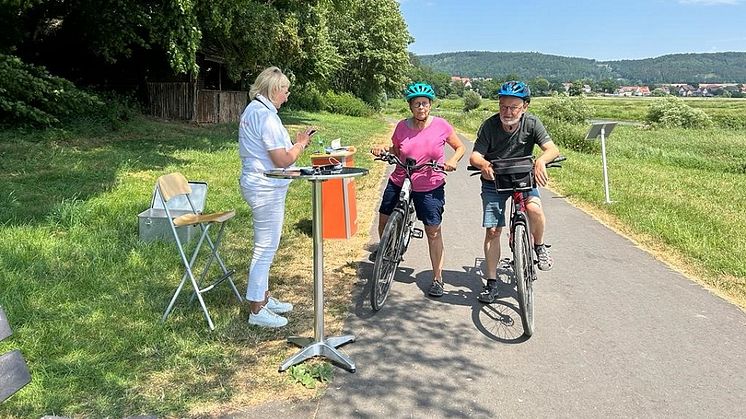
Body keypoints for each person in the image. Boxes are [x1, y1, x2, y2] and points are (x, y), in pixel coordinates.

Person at [469, 80, 560, 304]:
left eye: (513, 107)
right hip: (494, 179)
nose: (507, 112)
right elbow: (475, 156)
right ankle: (491, 283)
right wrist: (484, 165)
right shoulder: (490, 125)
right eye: (503, 106)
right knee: (493, 231)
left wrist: (541, 161)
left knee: (534, 210)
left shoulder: (531, 123)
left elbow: (552, 149)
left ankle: (538, 246)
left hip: (522, 176)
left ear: (525, 106)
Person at [371, 82, 465, 297]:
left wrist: (452, 161)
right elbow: (395, 148)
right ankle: (386, 247)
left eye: (424, 103)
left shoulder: (441, 125)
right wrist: (382, 149)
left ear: (430, 105)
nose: (421, 108)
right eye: (416, 104)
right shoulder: (402, 126)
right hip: (400, 176)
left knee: (433, 231)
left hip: (429, 183)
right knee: (384, 217)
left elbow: (459, 147)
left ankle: (437, 278)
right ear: (410, 107)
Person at [238, 66, 316, 327]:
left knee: (267, 245)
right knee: (265, 247)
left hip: (260, 182)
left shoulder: (254, 111)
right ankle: (257, 310)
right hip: (265, 187)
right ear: (274, 91)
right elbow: (281, 158)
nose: (287, 95)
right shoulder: (267, 117)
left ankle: (263, 296)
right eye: (285, 90)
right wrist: (301, 144)